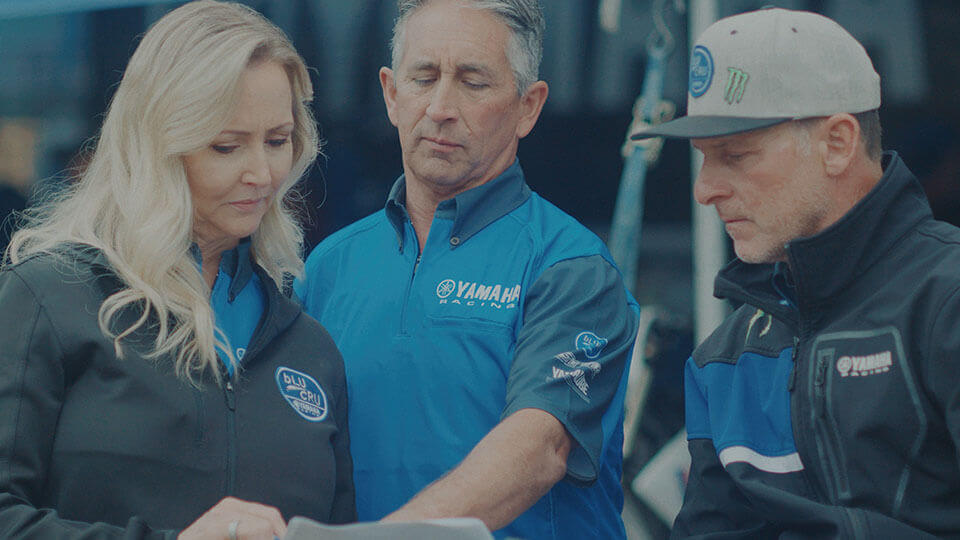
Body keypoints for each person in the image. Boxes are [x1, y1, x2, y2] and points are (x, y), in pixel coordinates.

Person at [0, 1, 354, 538]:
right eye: (227, 146)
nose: (262, 173)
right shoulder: (48, 297)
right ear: (156, 144)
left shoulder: (311, 348)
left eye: (278, 141)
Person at [296, 0, 639, 538]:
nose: (440, 108)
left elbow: (539, 449)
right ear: (391, 93)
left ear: (529, 106)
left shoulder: (572, 268)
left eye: (473, 82)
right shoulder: (327, 267)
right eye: (423, 78)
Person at [631, 7, 960, 538]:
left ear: (837, 144)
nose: (705, 189)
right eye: (702, 157)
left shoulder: (946, 300)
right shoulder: (725, 356)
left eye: (736, 155)